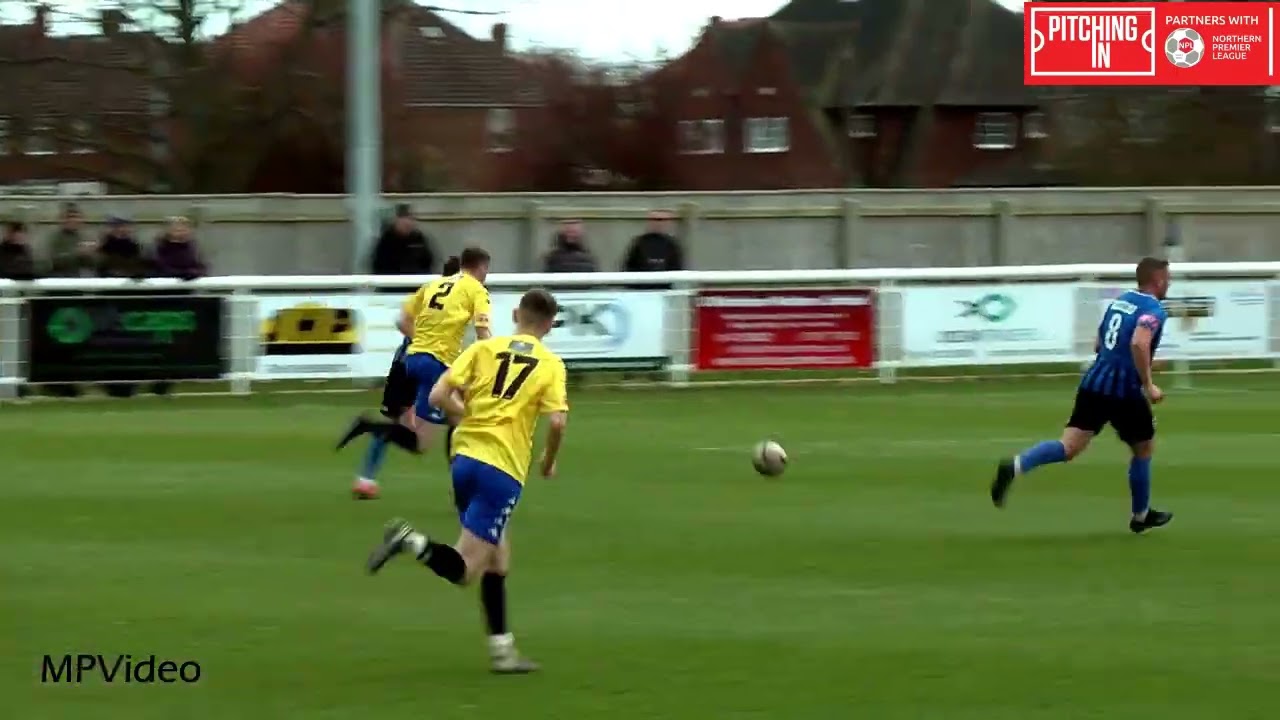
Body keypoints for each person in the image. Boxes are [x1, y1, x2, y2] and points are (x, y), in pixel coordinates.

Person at [365, 288, 569, 674]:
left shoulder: (482, 350)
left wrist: (469, 416)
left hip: (463, 460)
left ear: (515, 314)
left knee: (498, 557)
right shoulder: (550, 363)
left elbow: (439, 395)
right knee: (465, 569)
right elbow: (557, 421)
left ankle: (503, 653)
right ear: (549, 325)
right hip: (501, 470)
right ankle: (411, 540)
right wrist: (547, 460)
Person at [991, 257, 1173, 534]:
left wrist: (1136, 361)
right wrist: (1148, 384)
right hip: (1123, 392)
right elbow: (1138, 341)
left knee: (1068, 447)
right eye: (1167, 279)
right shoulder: (1153, 310)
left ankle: (1016, 466)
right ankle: (1140, 515)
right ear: (1158, 280)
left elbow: (1100, 343)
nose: (1168, 283)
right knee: (1144, 448)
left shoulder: (1120, 301)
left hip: (1094, 382)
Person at [337, 248, 492, 497]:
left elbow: (402, 320)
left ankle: (366, 477)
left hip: (409, 362)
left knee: (419, 434)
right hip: (433, 364)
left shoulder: (431, 289)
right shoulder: (472, 291)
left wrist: (422, 340)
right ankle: (464, 491)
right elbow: (483, 334)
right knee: (460, 421)